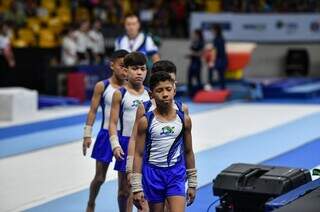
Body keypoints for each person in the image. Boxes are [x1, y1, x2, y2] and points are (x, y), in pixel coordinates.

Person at [126, 60, 189, 212]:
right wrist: (131, 169)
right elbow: (135, 139)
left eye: (171, 83)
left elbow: (184, 143)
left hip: (174, 168)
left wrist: (188, 173)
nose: (166, 92)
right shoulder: (145, 108)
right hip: (151, 170)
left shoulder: (182, 109)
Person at [82, 49, 129, 212]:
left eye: (127, 66)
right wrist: (87, 134)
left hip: (124, 138)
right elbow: (93, 111)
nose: (125, 69)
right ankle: (91, 202)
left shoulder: (133, 89)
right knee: (100, 178)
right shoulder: (103, 86)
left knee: (124, 187)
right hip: (105, 136)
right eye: (122, 66)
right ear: (112, 65)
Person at [108, 52, 150, 212]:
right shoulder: (120, 93)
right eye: (134, 69)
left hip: (145, 145)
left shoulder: (150, 93)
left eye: (142, 69)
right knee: (125, 190)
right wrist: (115, 144)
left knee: (142, 190)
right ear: (126, 70)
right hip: (125, 143)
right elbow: (112, 122)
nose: (139, 72)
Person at [207, 24, 228, 90]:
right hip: (222, 59)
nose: (211, 31)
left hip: (220, 59)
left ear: (216, 30)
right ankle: (222, 87)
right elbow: (217, 49)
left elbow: (215, 51)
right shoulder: (221, 38)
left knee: (215, 72)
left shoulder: (217, 39)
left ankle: (211, 85)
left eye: (212, 30)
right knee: (221, 75)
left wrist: (212, 61)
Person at [187, 29, 204, 97]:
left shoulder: (201, 42)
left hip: (197, 62)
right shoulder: (194, 42)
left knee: (197, 78)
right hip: (193, 62)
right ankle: (191, 93)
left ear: (198, 34)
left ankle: (200, 93)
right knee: (189, 77)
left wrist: (193, 54)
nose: (193, 35)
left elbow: (200, 53)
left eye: (194, 34)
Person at [0, 22, 15, 87]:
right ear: (1, 29)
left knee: (6, 76)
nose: (5, 29)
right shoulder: (1, 38)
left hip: (5, 59)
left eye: (6, 28)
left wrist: (12, 59)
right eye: (4, 28)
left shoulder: (7, 38)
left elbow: (9, 50)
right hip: (2, 58)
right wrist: (10, 60)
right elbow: (4, 51)